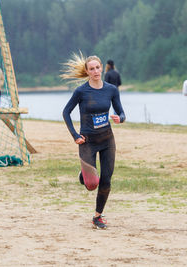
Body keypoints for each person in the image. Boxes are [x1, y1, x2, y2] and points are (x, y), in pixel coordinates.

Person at [61, 53, 126, 230]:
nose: (96, 71)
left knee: (106, 180)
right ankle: (84, 175)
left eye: (98, 67)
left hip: (107, 140)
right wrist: (75, 135)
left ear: (102, 68)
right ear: (87, 71)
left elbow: (121, 112)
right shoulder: (81, 91)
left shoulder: (111, 89)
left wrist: (120, 118)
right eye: (92, 69)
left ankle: (97, 216)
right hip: (87, 141)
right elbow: (66, 112)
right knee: (91, 184)